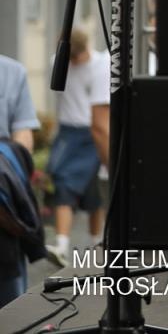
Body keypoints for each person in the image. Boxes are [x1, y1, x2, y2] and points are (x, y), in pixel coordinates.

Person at [46, 27, 110, 267]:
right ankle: (62, 245)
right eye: (69, 58)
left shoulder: (101, 65)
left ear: (85, 50)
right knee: (64, 185)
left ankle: (96, 243)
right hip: (69, 132)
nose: (73, 62)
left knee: (94, 193)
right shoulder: (58, 63)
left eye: (76, 57)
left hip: (91, 131)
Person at [1, 52, 44, 308]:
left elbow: (23, 139)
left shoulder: (12, 71)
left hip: (2, 207)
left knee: (10, 307)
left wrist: (10, 177)